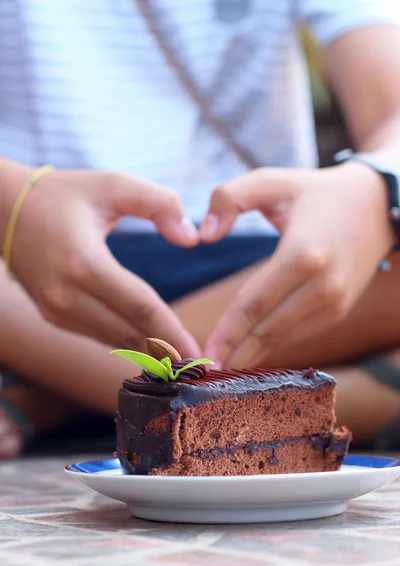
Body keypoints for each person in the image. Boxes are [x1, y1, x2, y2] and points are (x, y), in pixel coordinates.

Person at [1, 0, 400, 458]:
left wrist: (374, 187)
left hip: (261, 273)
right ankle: (318, 403)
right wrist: (13, 197)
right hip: (19, 265)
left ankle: (64, 391)